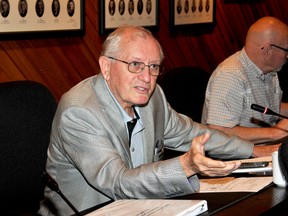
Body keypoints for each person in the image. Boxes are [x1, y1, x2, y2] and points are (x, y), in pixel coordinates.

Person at [39, 25, 277, 216]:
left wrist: (253, 150)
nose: (146, 78)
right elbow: (118, 182)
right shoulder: (79, 112)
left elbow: (193, 133)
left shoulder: (152, 97)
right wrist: (186, 166)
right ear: (106, 66)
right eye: (135, 65)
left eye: (154, 67)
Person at [202, 16, 288, 144]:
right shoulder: (230, 75)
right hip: (231, 160)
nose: (287, 55)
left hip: (261, 149)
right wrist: (277, 132)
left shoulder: (270, 71)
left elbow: (268, 109)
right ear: (268, 51)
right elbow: (219, 132)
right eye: (286, 50)